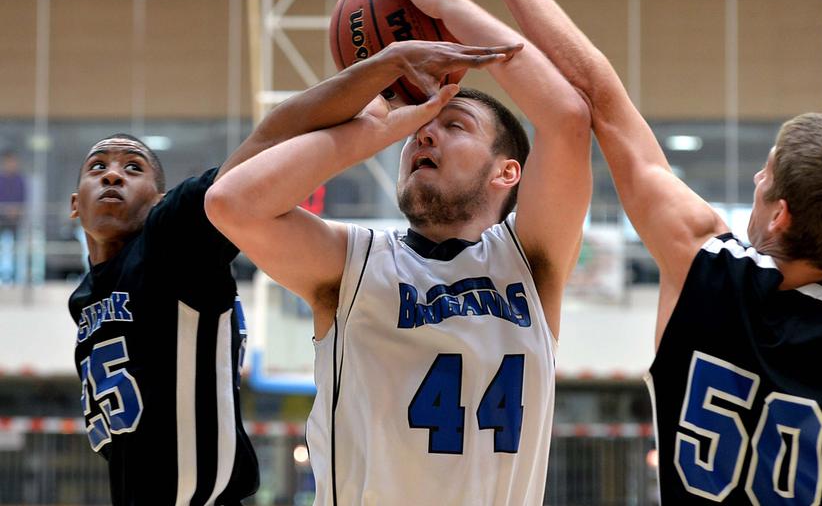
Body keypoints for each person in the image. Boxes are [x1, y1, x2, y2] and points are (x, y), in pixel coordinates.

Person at [400, 0, 822, 504]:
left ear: (781, 214)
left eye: (767, 175)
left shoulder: (699, 261)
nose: (760, 177)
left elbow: (600, 97)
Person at [205, 0, 592, 506]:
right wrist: (378, 121)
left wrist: (451, 7)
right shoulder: (353, 265)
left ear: (508, 172)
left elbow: (567, 118)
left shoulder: (530, 263)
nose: (426, 134)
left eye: (453, 124)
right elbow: (230, 203)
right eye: (420, 127)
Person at [66, 40, 508, 506]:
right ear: (75, 204)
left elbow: (268, 139)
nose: (112, 175)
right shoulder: (84, 297)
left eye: (132, 168)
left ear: (159, 199)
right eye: (98, 167)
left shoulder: (169, 238)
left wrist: (384, 68)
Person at [0, 151, 25, 284]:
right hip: (2, 219)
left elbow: (23, 198)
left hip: (16, 220)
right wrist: (5, 209)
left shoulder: (20, 180)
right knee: (3, 247)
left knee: (16, 248)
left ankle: (16, 278)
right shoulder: (1, 179)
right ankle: (4, 277)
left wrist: (16, 210)